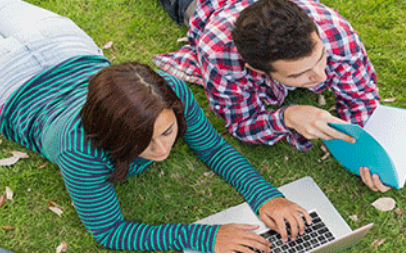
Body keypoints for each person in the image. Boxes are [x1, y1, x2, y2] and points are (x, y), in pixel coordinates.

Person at [0, 0, 314, 252]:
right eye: (140, 142)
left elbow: (212, 147)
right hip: (8, 83)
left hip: (58, 41)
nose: (162, 149)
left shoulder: (170, 90)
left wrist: (267, 196)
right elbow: (109, 231)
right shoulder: (79, 148)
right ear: (110, 133)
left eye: (166, 132)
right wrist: (203, 237)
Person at [153, 0, 389, 192]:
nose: (321, 76)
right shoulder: (219, 57)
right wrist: (287, 116)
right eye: (300, 74)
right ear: (257, 70)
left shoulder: (333, 29)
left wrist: (366, 151)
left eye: (321, 57)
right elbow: (241, 124)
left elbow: (361, 98)